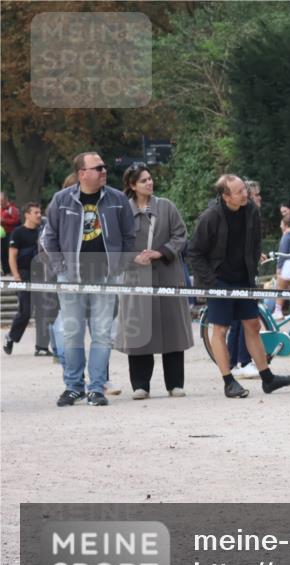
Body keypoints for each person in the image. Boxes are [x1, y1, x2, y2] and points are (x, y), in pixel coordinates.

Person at [188, 174, 290, 398]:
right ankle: (228, 381)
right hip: (219, 280)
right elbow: (194, 253)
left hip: (244, 278)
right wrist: (211, 283)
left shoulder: (251, 211)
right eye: (239, 191)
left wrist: (252, 267)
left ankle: (267, 378)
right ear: (225, 196)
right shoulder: (210, 217)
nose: (245, 194)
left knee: (252, 325)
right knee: (220, 329)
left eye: (244, 190)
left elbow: (255, 241)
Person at [41, 152, 136, 407]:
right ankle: (73, 387)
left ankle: (96, 388)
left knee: (103, 334)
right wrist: (60, 267)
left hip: (106, 276)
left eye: (104, 167)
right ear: (82, 173)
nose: (104, 171)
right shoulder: (61, 200)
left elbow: (130, 237)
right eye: (98, 168)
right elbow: (49, 237)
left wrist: (120, 266)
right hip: (71, 276)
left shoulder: (117, 199)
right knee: (72, 333)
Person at [113, 163, 193, 399]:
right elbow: (115, 244)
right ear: (132, 185)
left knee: (173, 329)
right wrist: (134, 258)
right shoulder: (122, 212)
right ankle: (140, 385)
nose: (149, 183)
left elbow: (181, 234)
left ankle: (175, 383)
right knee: (138, 329)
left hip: (167, 274)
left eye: (150, 178)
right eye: (143, 180)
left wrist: (161, 252)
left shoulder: (166, 206)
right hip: (136, 277)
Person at [3, 202, 46, 355]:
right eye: (36, 212)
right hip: (24, 274)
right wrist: (16, 276)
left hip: (41, 274)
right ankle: (11, 337)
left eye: (40, 212)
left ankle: (41, 347)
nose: (39, 215)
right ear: (27, 215)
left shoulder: (43, 232)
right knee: (25, 311)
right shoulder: (18, 232)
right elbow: (12, 256)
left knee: (43, 311)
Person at [229, 179, 261, 379]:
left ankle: (235, 362)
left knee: (240, 322)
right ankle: (243, 360)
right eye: (256, 195)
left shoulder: (252, 215)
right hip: (238, 276)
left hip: (245, 273)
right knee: (243, 321)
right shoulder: (244, 215)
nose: (259, 198)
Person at [1, 191, 19, 275]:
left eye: (1, 200)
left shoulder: (12, 208)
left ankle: (13, 271)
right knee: (2, 252)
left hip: (11, 234)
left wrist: (4, 220)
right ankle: (5, 271)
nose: (0, 202)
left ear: (6, 199)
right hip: (2, 235)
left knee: (10, 252)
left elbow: (15, 220)